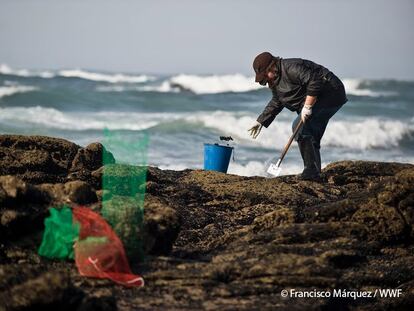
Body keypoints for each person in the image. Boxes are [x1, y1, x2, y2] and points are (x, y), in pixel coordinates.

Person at [248, 52, 347, 180]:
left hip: (331, 93)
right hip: (318, 99)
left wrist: (307, 106)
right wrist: (261, 121)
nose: (266, 79)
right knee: (310, 134)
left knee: (298, 127)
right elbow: (277, 101)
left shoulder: (291, 67)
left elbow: (315, 80)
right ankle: (315, 173)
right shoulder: (275, 81)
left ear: (272, 67)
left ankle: (311, 171)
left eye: (265, 74)